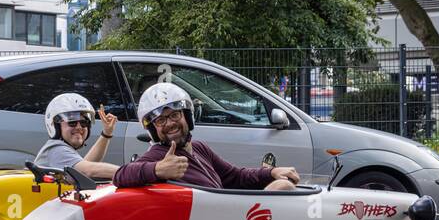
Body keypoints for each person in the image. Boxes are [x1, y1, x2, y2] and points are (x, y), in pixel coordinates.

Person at [114, 82, 300, 190]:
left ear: (187, 117)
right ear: (153, 129)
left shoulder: (199, 148)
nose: (169, 123)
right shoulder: (160, 155)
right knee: (283, 187)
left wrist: (271, 172)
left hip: (223, 218)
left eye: (174, 115)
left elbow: (235, 176)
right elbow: (120, 176)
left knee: (281, 184)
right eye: (161, 120)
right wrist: (157, 169)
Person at [33, 93, 120, 181]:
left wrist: (106, 133)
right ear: (56, 126)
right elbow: (88, 171)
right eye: (72, 122)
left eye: (84, 123)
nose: (79, 127)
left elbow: (83, 168)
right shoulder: (56, 150)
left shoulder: (60, 150)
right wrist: (126, 172)